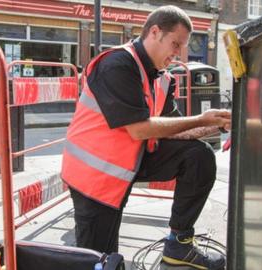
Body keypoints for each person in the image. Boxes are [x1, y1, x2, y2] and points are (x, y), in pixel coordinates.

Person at [61, 5, 230, 270]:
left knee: (199, 155)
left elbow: (176, 129)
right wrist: (202, 119)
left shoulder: (162, 78)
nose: (177, 54)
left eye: (182, 47)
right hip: (94, 175)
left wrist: (218, 124)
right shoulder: (117, 64)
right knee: (100, 260)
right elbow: (138, 129)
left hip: (129, 161)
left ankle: (179, 244)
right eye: (175, 44)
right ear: (154, 32)